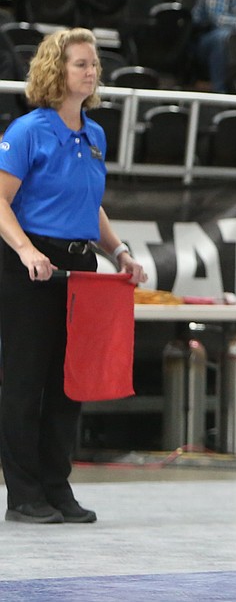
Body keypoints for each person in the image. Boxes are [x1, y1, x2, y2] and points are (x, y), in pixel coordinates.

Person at [0, 28, 148, 525]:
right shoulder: (28, 130)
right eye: (81, 63)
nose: (92, 71)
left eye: (93, 64)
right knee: (25, 380)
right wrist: (24, 251)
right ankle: (22, 494)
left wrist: (119, 250)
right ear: (56, 71)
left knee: (70, 382)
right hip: (32, 262)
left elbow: (90, 203)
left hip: (80, 265)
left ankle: (56, 487)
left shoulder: (95, 133)